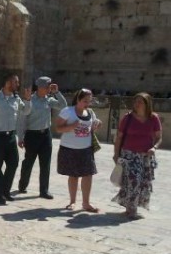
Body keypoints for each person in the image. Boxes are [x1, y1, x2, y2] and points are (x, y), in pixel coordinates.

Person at [0, 73, 32, 204]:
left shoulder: (16, 98)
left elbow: (26, 111)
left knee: (13, 163)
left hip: (10, 137)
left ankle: (5, 190)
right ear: (8, 83)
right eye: (16, 82)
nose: (18, 85)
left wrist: (27, 99)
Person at [112, 92, 162, 220]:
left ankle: (130, 207)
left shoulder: (153, 118)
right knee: (134, 181)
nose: (137, 104)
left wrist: (154, 147)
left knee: (143, 183)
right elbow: (119, 137)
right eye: (136, 101)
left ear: (147, 104)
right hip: (129, 155)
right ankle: (132, 210)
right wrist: (116, 154)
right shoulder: (127, 118)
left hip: (145, 156)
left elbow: (158, 137)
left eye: (140, 102)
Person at [17, 76, 67, 199]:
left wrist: (57, 93)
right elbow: (22, 120)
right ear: (40, 87)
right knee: (29, 162)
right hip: (32, 135)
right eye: (48, 87)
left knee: (45, 164)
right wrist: (20, 137)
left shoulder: (49, 100)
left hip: (45, 135)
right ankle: (23, 185)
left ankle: (44, 190)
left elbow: (63, 106)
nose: (50, 89)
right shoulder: (30, 100)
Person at [54, 88, 101, 213]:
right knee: (73, 176)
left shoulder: (90, 112)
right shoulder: (67, 111)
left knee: (88, 175)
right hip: (69, 148)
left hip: (86, 149)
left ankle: (86, 203)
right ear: (78, 99)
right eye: (85, 101)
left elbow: (90, 129)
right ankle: (72, 201)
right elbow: (58, 128)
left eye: (89, 101)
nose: (88, 104)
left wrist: (96, 125)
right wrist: (71, 126)